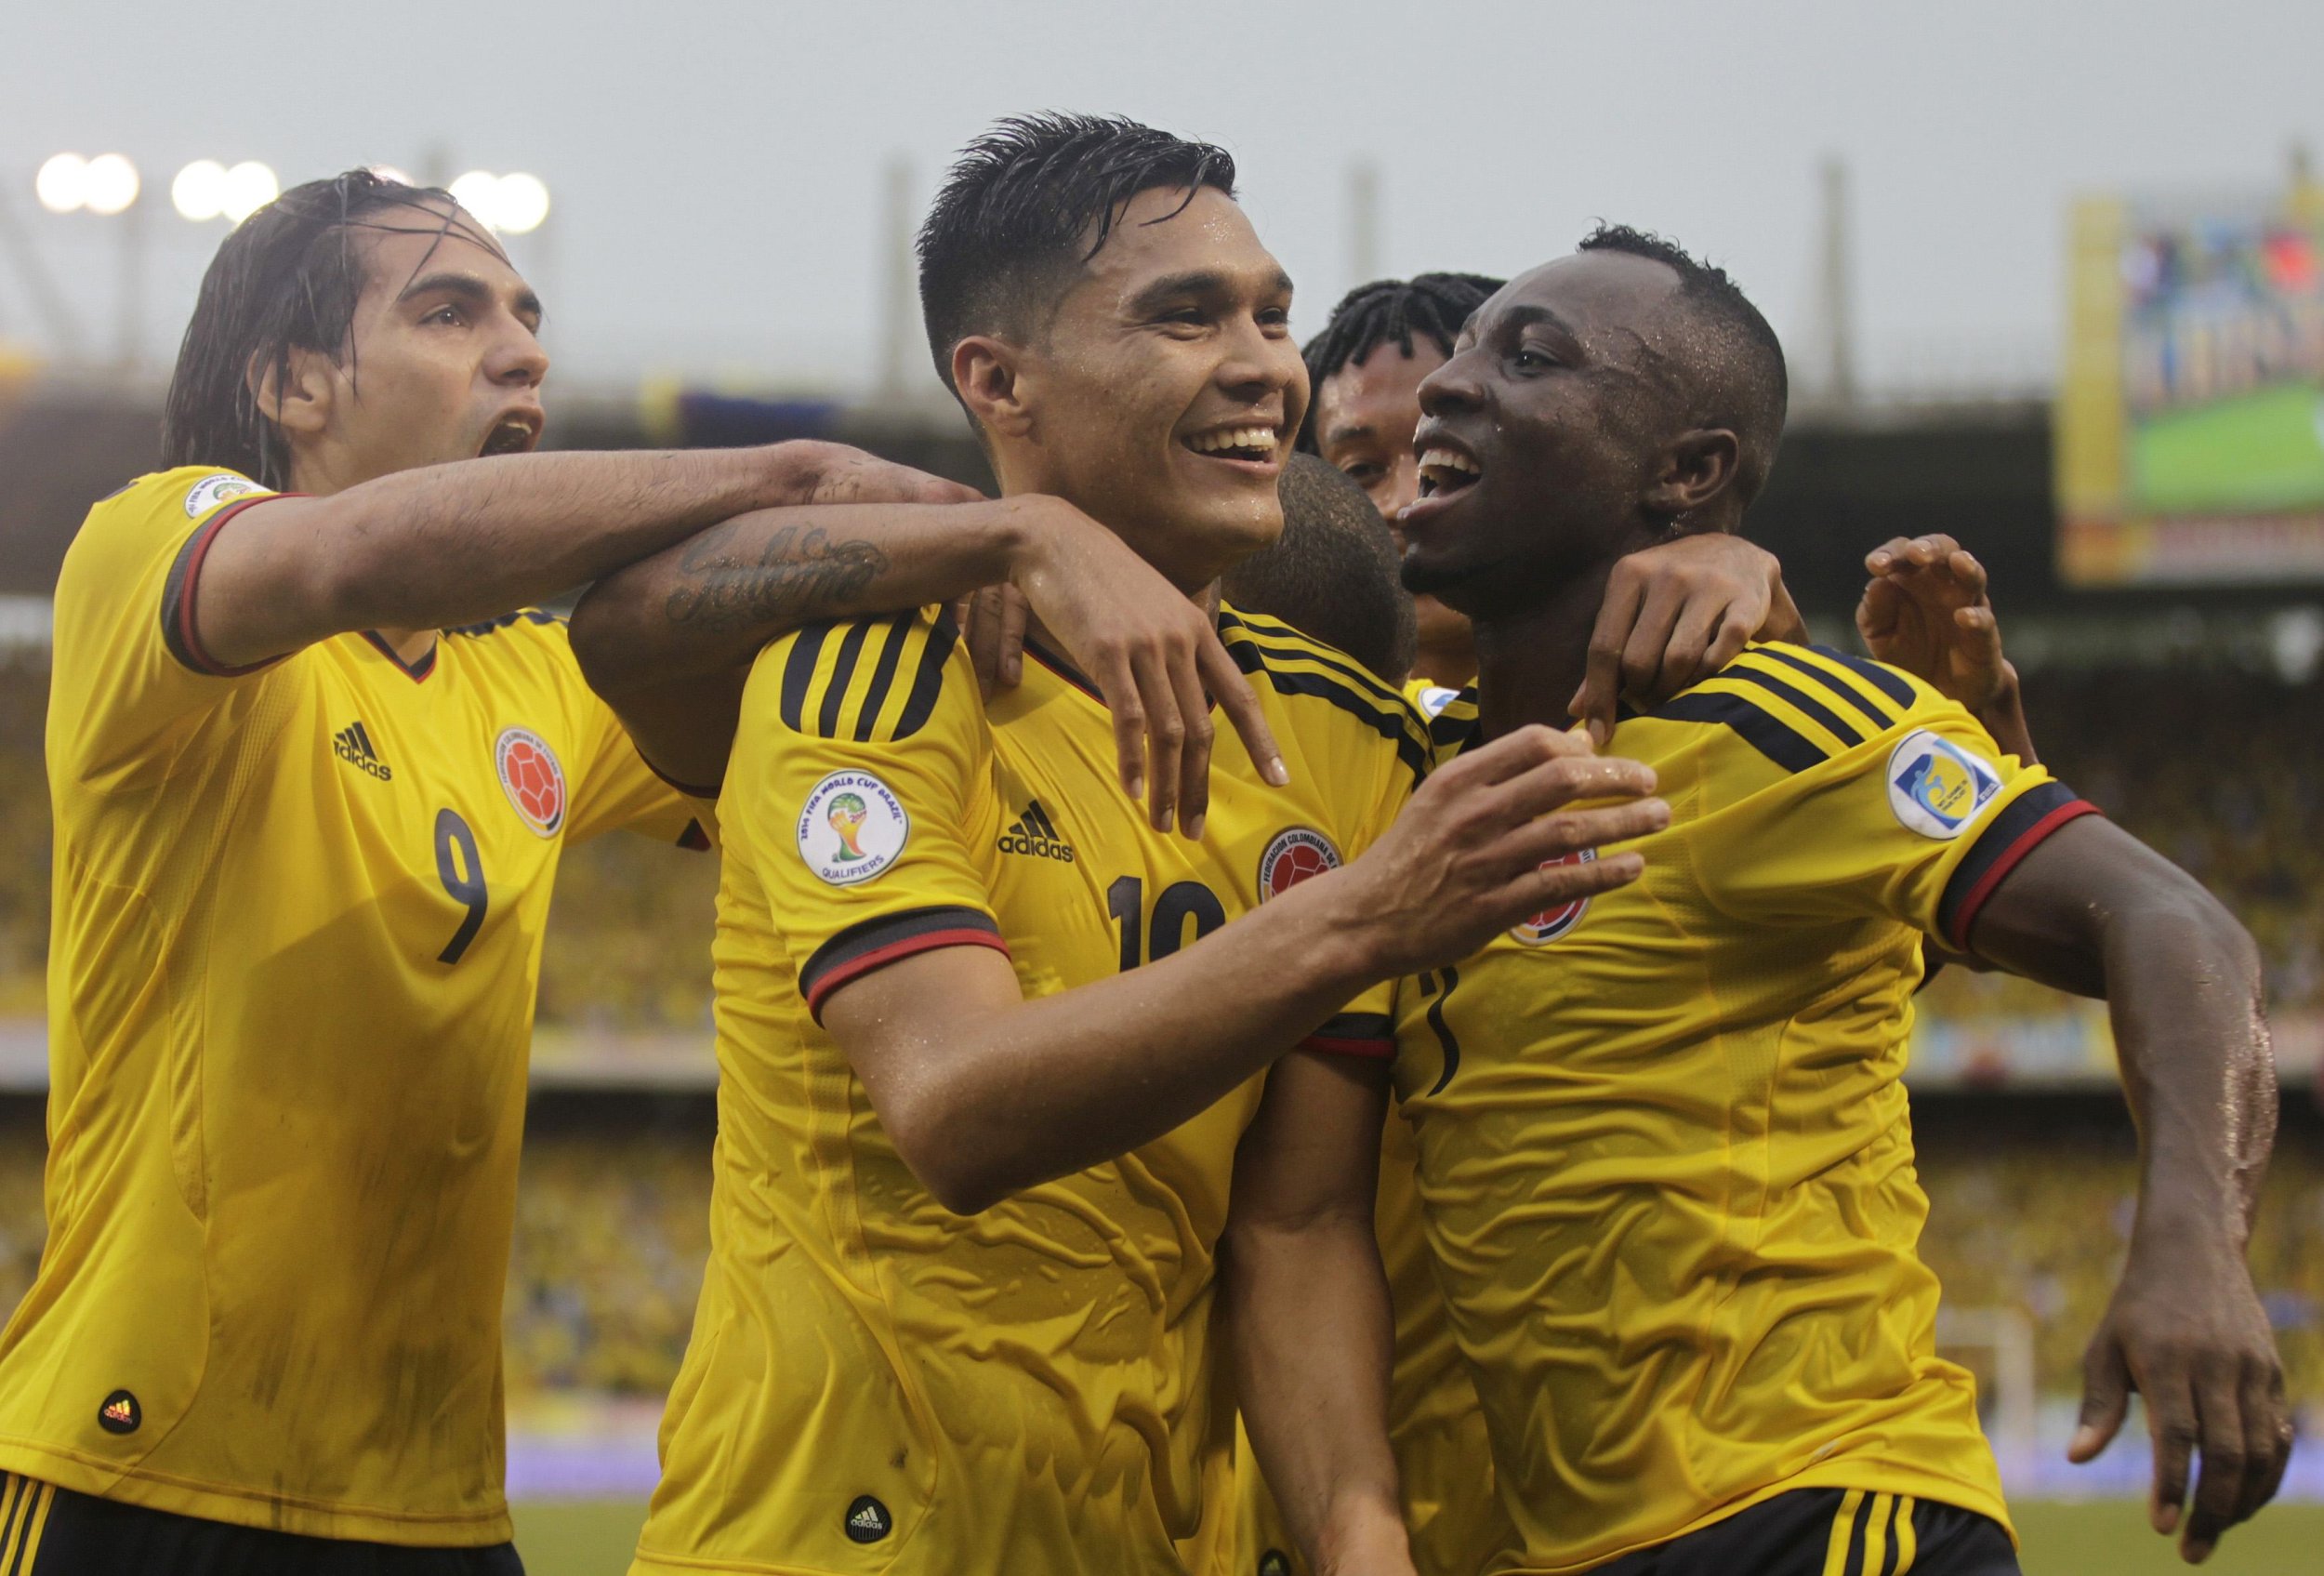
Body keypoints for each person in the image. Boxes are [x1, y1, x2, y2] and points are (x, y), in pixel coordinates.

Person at [570, 113, 1683, 1575]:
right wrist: (1361, 918)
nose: (1262, 365)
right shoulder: (878, 670)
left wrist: (1362, 1548)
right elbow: (957, 1109)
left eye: (1274, 316)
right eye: (1185, 315)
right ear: (997, 378)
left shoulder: (1346, 740)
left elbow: (1294, 1225)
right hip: (840, 1544)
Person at [0, 169, 1040, 1574]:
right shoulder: (147, 544)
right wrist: (804, 473)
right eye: (446, 310)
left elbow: (783, 752)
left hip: (436, 1507)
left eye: (528, 315)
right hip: (144, 1471)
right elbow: (365, 552)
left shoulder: (533, 683)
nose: (523, 347)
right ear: (296, 381)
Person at [1228, 227, 2291, 1575]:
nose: (1448, 401)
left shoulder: (1768, 719)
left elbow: (2171, 923)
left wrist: (2194, 1248)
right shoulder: (1387, 803)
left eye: (1527, 356)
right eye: (1352, 461)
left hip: (1806, 1513)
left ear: (1689, 475)